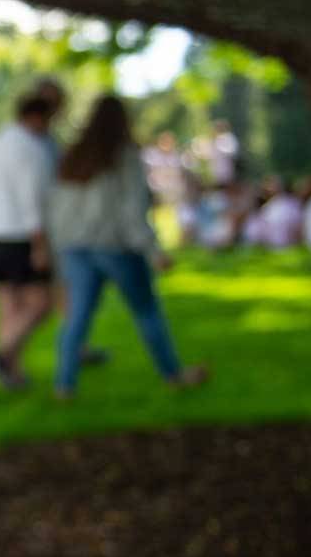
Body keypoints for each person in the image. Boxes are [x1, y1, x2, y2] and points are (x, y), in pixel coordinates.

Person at [47, 94, 210, 400]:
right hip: (116, 247)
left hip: (76, 248)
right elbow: (132, 210)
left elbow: (58, 210)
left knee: (76, 317)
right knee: (147, 312)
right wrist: (153, 250)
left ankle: (64, 385)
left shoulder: (73, 157)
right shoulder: (123, 156)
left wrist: (60, 248)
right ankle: (173, 375)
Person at [0, 92, 61, 389]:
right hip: (20, 235)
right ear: (38, 116)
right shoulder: (31, 148)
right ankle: (3, 355)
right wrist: (40, 245)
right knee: (41, 303)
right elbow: (31, 198)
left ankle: (12, 372)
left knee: (9, 306)